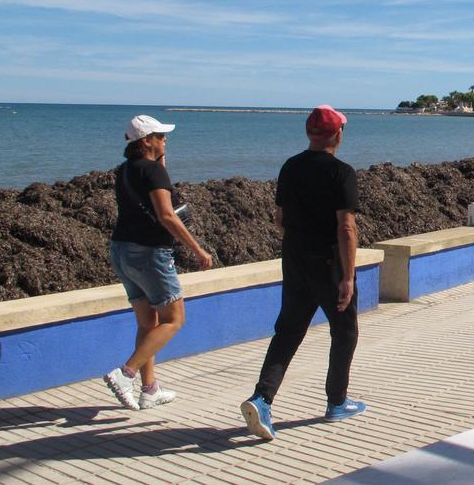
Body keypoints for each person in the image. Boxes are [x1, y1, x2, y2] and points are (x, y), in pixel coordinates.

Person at [241, 105, 366, 441]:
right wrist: (348, 276)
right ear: (337, 134)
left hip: (295, 258)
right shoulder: (342, 172)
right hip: (328, 260)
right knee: (344, 331)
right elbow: (347, 227)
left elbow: (279, 219)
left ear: (310, 133)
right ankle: (337, 402)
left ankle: (262, 399)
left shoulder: (290, 167)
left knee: (288, 331)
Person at [104, 115, 214, 410]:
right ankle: (125, 374)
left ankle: (149, 389)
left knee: (147, 323)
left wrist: (161, 160)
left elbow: (149, 187)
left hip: (122, 250)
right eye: (161, 136)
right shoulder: (152, 171)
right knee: (174, 319)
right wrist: (198, 250)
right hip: (150, 253)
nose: (166, 139)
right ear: (146, 141)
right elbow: (167, 215)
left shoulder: (125, 170)